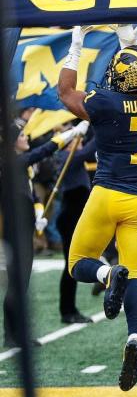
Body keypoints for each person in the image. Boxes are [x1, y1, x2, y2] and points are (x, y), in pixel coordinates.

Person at [58, 24, 137, 391]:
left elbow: (65, 92)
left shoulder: (107, 103)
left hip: (107, 193)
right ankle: (136, 337)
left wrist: (77, 42)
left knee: (78, 264)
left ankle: (108, 276)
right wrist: (130, 41)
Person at [3, 119, 88, 346]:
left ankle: (13, 334)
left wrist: (39, 213)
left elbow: (32, 195)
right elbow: (44, 150)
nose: (26, 139)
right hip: (15, 232)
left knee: (21, 283)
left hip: (25, 229)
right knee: (17, 283)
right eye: (22, 136)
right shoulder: (14, 161)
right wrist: (71, 133)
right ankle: (12, 335)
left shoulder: (21, 165)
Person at [55, 128, 99, 324]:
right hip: (70, 217)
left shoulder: (72, 157)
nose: (80, 143)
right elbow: (89, 150)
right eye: (77, 141)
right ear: (69, 144)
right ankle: (67, 311)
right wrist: (102, 127)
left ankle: (70, 309)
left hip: (75, 216)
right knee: (70, 266)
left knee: (73, 265)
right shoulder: (66, 157)